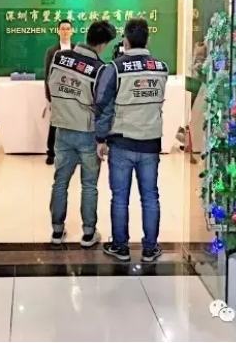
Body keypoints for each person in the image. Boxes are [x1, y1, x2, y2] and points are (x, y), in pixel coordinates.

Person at [95, 18, 168, 262]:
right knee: (150, 197)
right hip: (150, 143)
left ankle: (121, 247)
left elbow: (103, 106)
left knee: (120, 198)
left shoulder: (114, 68)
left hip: (122, 143)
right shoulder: (161, 68)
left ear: (125, 41)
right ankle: (150, 248)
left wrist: (100, 138)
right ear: (148, 39)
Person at [48, 20, 116, 247]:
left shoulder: (59, 57)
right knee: (89, 185)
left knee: (60, 182)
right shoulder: (100, 69)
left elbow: (51, 87)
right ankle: (88, 233)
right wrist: (103, 138)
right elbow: (103, 106)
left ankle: (57, 231)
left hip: (62, 129)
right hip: (87, 133)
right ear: (103, 44)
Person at [44, 19, 74, 165]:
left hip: (73, 92)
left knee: (73, 123)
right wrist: (49, 97)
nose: (65, 31)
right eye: (62, 29)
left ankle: (72, 153)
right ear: (58, 31)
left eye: (68, 29)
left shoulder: (77, 50)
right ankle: (51, 153)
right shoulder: (52, 51)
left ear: (72, 31)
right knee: (55, 124)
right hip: (56, 93)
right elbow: (47, 75)